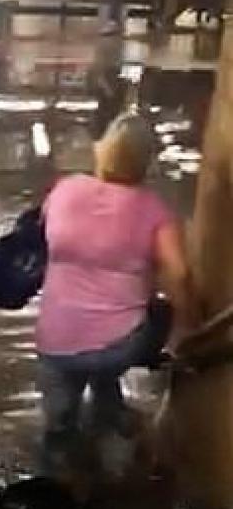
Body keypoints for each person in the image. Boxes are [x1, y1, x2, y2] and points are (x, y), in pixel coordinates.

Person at [35, 113, 194, 479]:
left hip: (55, 345)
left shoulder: (65, 190)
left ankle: (62, 477)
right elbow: (180, 273)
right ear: (147, 160)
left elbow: (46, 236)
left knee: (58, 430)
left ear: (102, 150)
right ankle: (111, 412)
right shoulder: (154, 210)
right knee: (156, 312)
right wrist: (185, 333)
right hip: (117, 347)